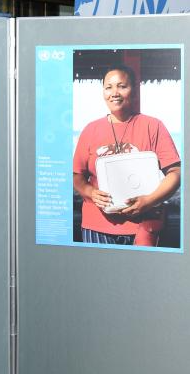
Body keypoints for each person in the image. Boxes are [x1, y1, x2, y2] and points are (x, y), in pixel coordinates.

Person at [72, 66, 181, 246]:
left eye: (122, 86)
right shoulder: (91, 130)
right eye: (108, 87)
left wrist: (149, 201)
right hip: (96, 225)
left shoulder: (153, 126)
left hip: (144, 226)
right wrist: (91, 192)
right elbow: (77, 176)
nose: (114, 93)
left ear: (134, 90)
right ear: (103, 92)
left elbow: (176, 172)